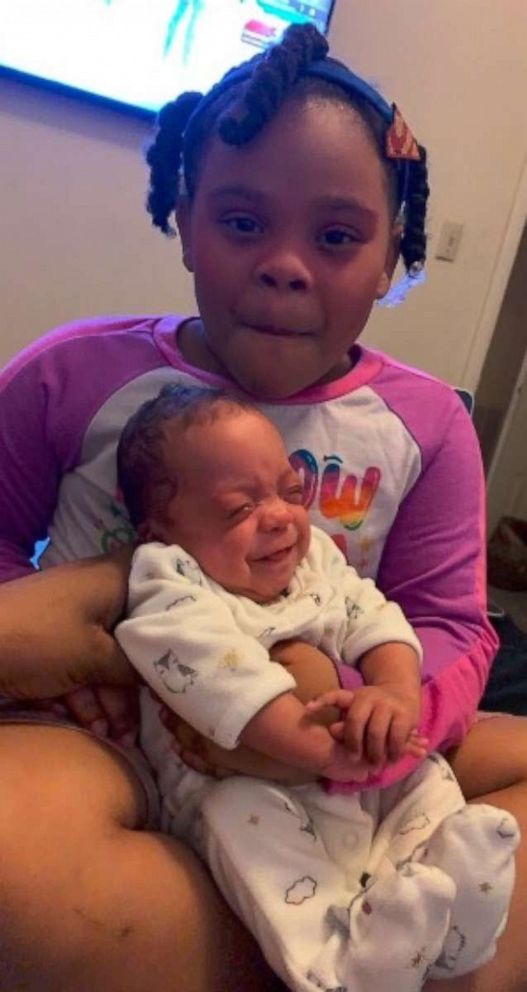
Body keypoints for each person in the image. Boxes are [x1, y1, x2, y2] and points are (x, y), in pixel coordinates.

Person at [1, 20, 527, 992]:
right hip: (120, 742)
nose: (286, 263)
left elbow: (449, 617)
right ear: (185, 215)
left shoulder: (425, 425)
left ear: (389, 255)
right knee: (13, 858)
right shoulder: (72, 373)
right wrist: (66, 676)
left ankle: (374, 935)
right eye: (243, 223)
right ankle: (344, 952)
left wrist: (385, 708)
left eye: (335, 237)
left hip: (349, 730)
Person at [114, 382, 518, 991]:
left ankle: (449, 922)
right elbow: (217, 678)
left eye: (290, 492)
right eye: (238, 509)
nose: (279, 516)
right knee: (242, 824)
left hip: (354, 772)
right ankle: (344, 969)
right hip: (245, 787)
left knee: (425, 775)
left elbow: (375, 616)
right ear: (160, 530)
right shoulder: (169, 581)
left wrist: (393, 694)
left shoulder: (315, 562)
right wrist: (324, 756)